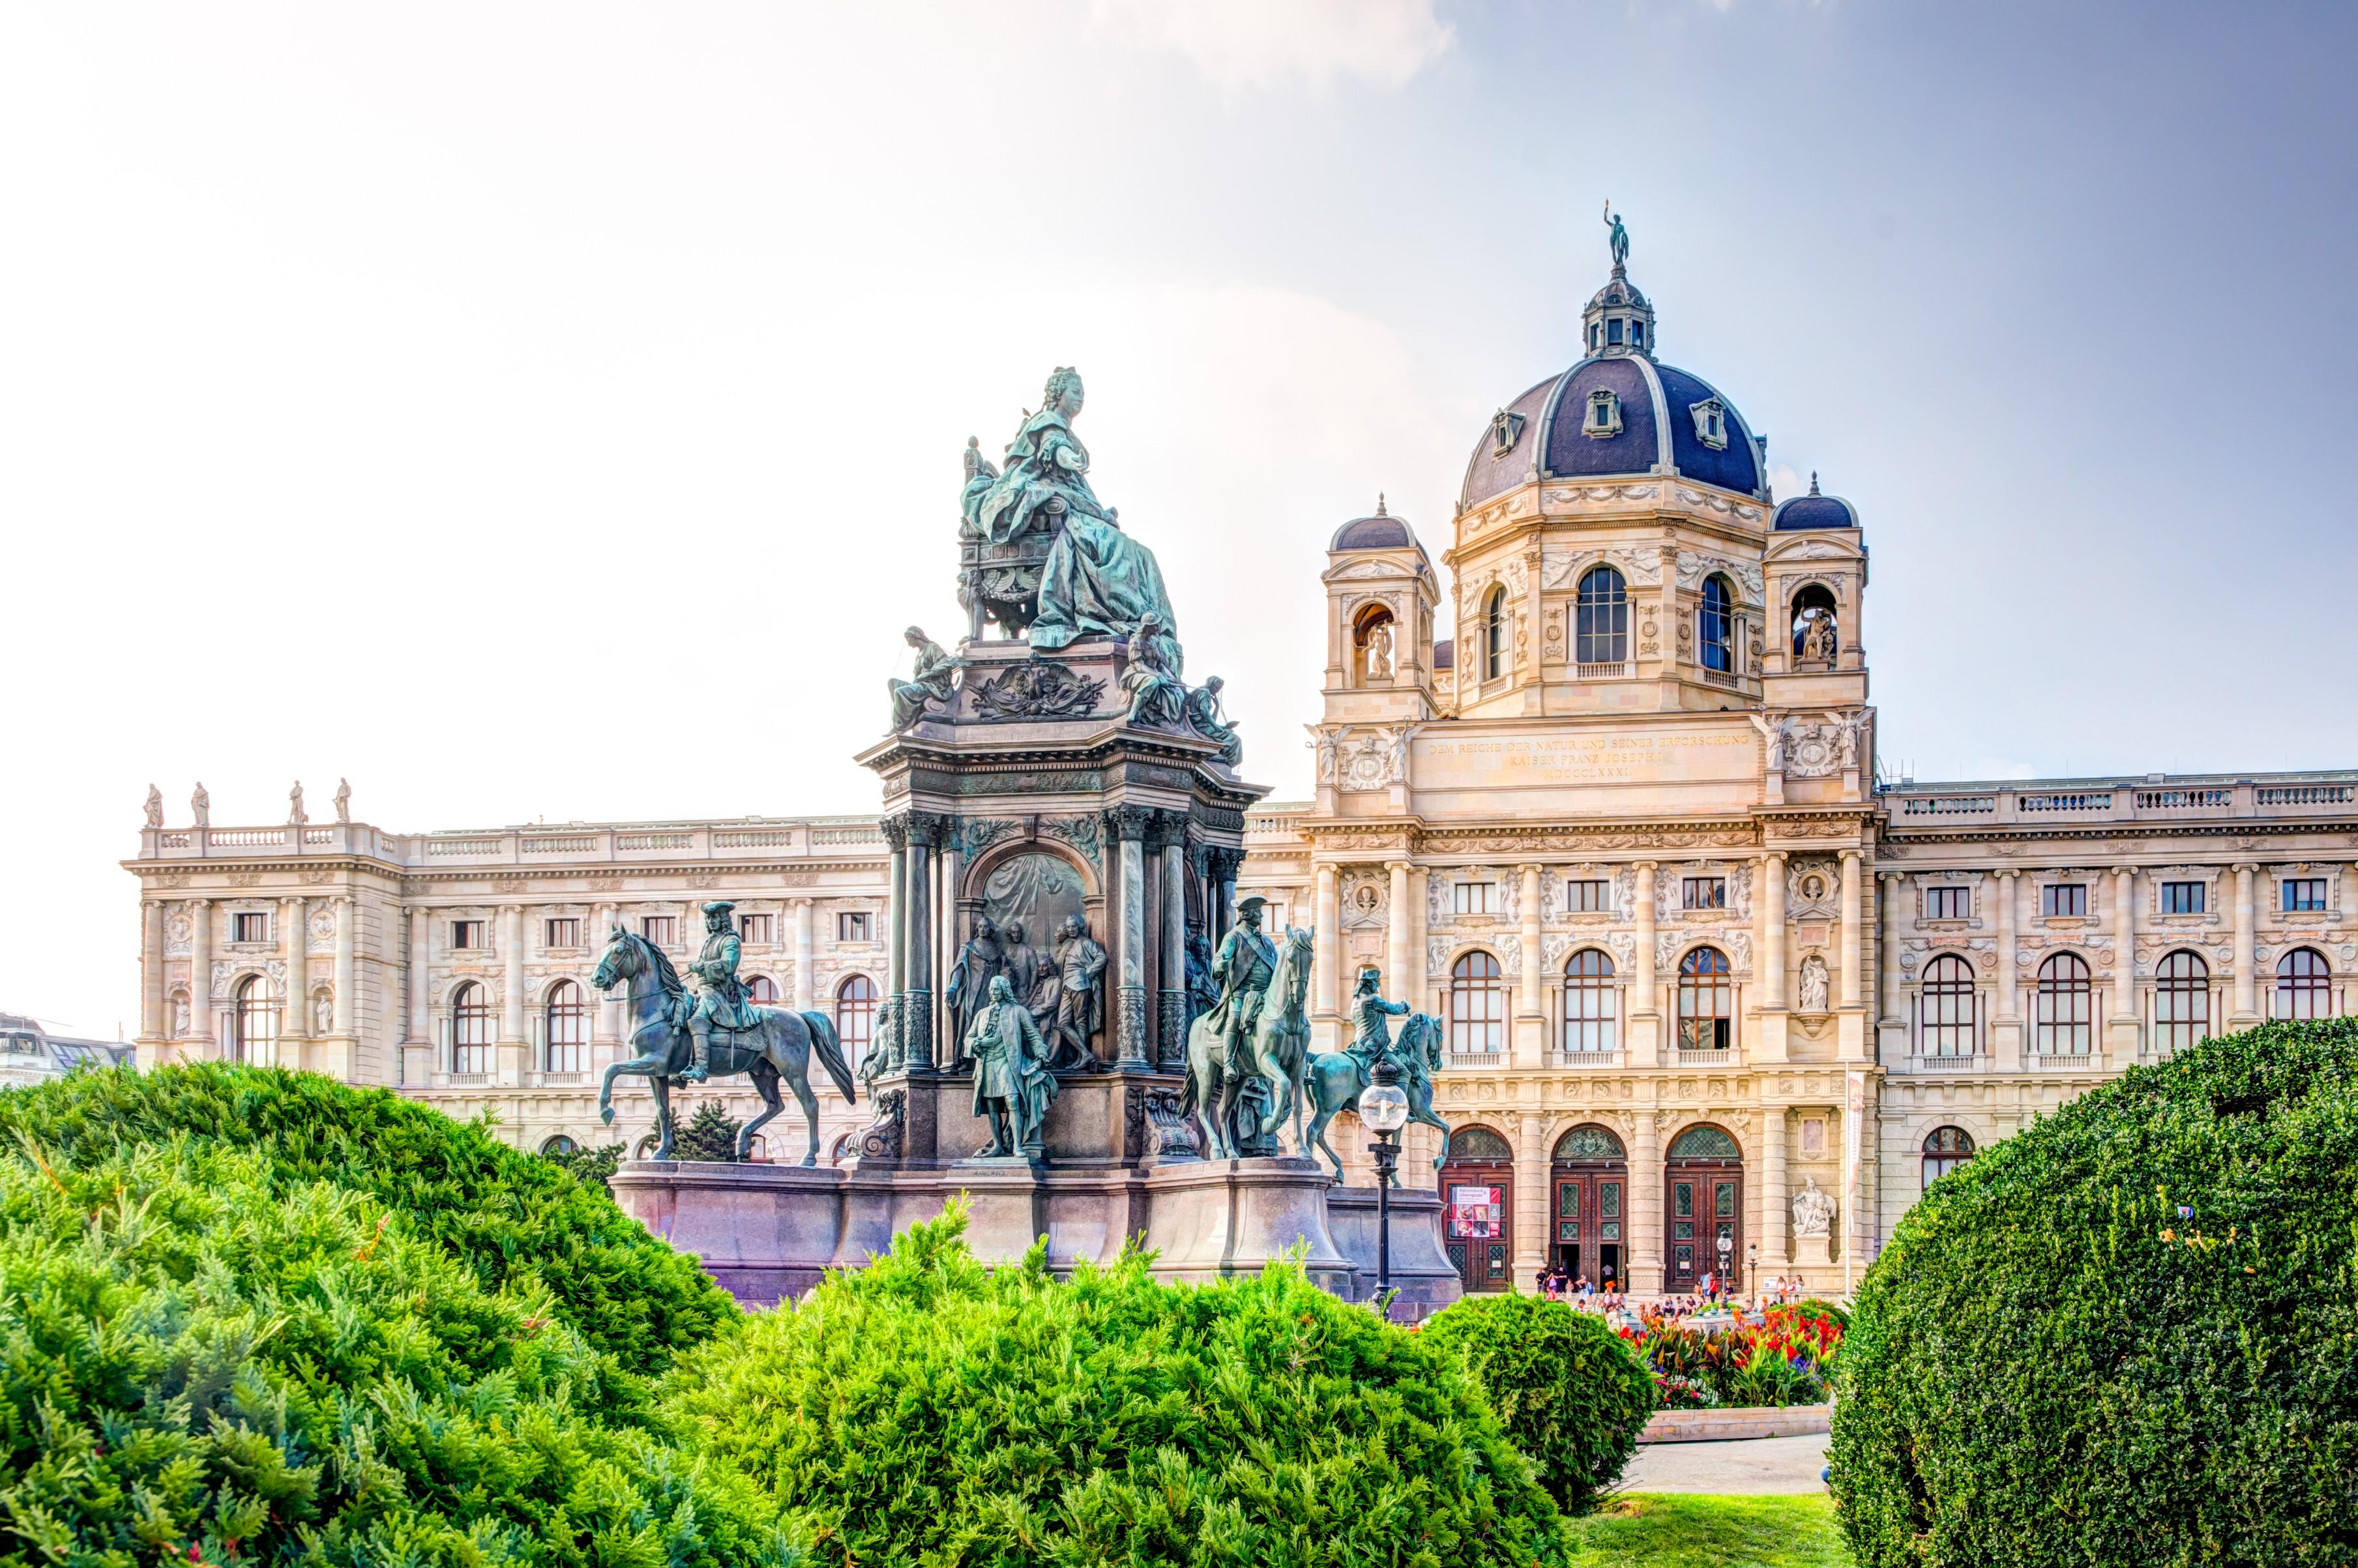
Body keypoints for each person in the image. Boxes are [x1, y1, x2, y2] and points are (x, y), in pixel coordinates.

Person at [964, 974, 1057, 1158]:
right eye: (991, 990)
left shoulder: (1018, 1011)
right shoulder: (982, 1014)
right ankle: (998, 1145)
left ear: (1005, 991)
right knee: (992, 1106)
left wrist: (1041, 1054)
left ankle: (1017, 1146)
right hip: (987, 1064)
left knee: (1013, 1101)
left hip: (1008, 1063)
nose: (993, 993)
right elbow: (969, 1038)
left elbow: (1033, 1035)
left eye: (996, 990)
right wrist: (977, 1043)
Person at [683, 900, 759, 1082]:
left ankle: (701, 1068)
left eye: (715, 918)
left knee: (697, 1020)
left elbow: (728, 966)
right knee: (678, 1015)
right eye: (708, 919)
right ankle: (680, 1067)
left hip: (719, 992)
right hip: (702, 990)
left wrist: (701, 967)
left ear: (724, 919)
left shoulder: (731, 941)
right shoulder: (710, 941)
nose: (711, 922)